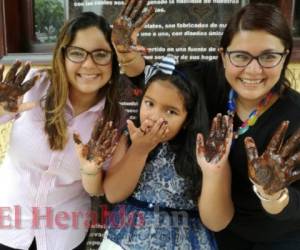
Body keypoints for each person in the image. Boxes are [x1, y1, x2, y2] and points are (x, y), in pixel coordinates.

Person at [122, 2, 300, 250]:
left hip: (278, 239)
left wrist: (273, 194)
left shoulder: (295, 115)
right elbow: (159, 81)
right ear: (223, 56)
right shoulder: (208, 81)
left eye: (269, 57)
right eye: (240, 56)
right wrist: (125, 53)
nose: (253, 69)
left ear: (285, 57)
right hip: (218, 234)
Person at [0, 4, 153, 249]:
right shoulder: (30, 87)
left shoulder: (114, 119)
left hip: (64, 235)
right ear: (62, 56)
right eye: (77, 53)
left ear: (113, 61)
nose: (89, 64)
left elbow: (97, 190)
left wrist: (90, 168)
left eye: (101, 54)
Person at [85, 56, 234, 249]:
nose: (155, 117)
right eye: (149, 104)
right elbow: (113, 194)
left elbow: (217, 222)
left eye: (171, 111)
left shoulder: (206, 150)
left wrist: (213, 172)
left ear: (188, 119)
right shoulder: (129, 139)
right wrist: (139, 150)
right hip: (127, 239)